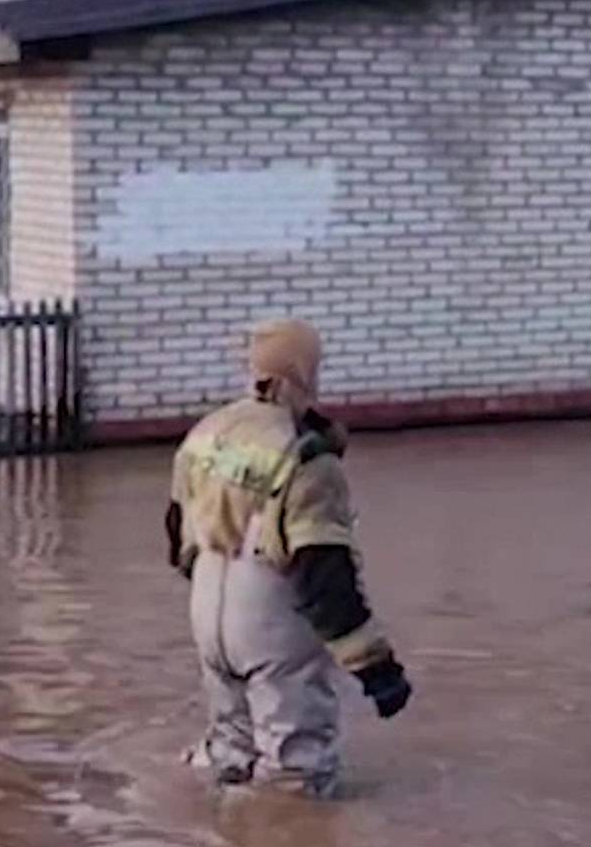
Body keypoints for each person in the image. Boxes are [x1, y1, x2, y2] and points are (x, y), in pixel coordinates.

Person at [165, 319, 411, 797]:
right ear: (303, 374)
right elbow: (325, 579)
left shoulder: (204, 434)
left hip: (207, 618)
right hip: (270, 626)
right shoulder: (306, 459)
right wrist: (377, 670)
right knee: (295, 778)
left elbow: (178, 540)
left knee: (229, 753)